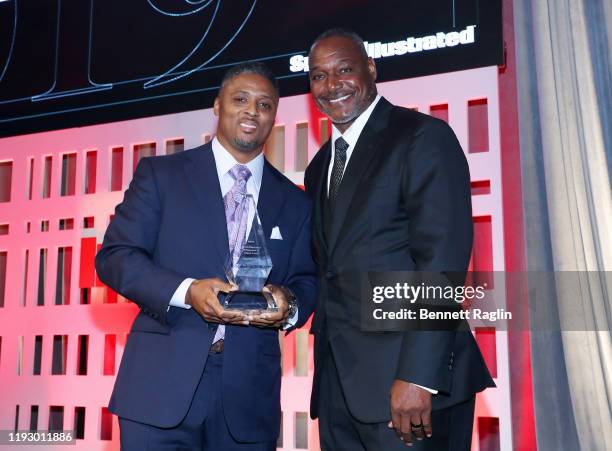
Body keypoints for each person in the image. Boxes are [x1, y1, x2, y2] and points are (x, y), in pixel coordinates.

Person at [95, 62, 316, 450]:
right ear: (217, 106)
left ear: (274, 117)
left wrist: (290, 304)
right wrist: (186, 291)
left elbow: (307, 280)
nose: (252, 111)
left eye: (265, 105)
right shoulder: (161, 175)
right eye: (240, 99)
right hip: (160, 389)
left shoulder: (295, 203)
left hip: (248, 399)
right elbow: (115, 256)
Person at [304, 29, 495, 450]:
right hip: (339, 390)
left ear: (371, 69)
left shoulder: (421, 137)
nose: (331, 84)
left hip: (409, 389)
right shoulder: (319, 167)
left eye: (344, 69)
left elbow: (441, 261)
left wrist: (418, 375)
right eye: (318, 76)